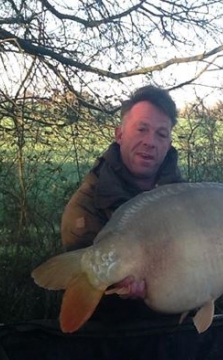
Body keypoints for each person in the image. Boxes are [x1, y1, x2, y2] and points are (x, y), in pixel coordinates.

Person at [60, 85, 184, 323]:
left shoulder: (184, 197)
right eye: (141, 129)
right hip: (113, 333)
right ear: (119, 134)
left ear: (168, 143)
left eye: (161, 134)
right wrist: (121, 289)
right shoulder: (85, 208)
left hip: (178, 327)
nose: (150, 142)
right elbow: (90, 298)